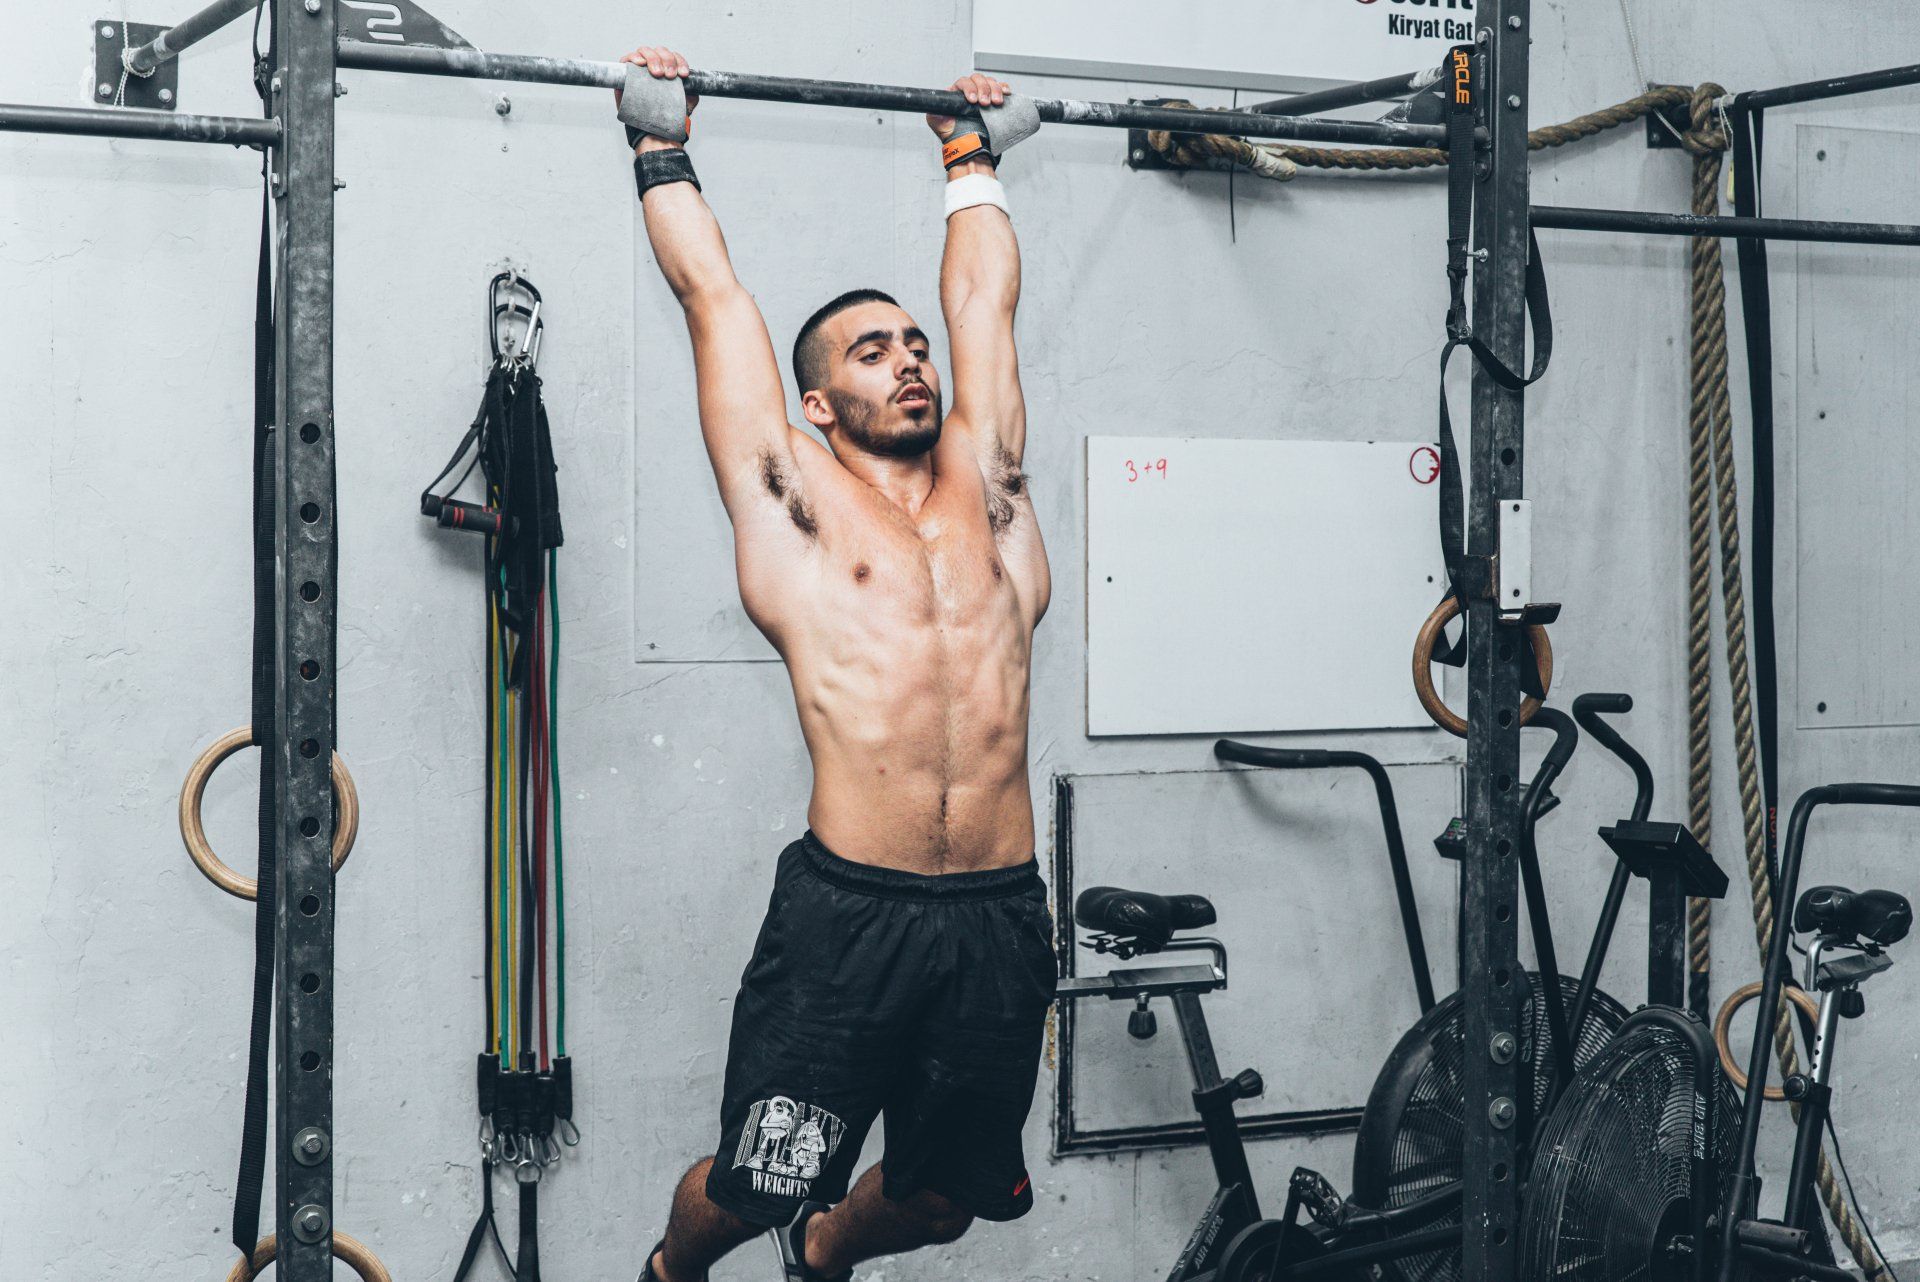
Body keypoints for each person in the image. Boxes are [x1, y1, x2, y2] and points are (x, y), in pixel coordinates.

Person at [617, 45, 1056, 1282]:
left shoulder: (992, 491)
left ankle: (823, 1251)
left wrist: (968, 160)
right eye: (870, 351)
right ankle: (675, 1270)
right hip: (848, 920)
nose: (910, 359)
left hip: (998, 915)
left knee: (944, 1199)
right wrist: (661, 147)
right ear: (816, 404)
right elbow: (716, 301)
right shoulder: (794, 509)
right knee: (757, 1177)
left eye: (911, 346)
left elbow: (985, 309)